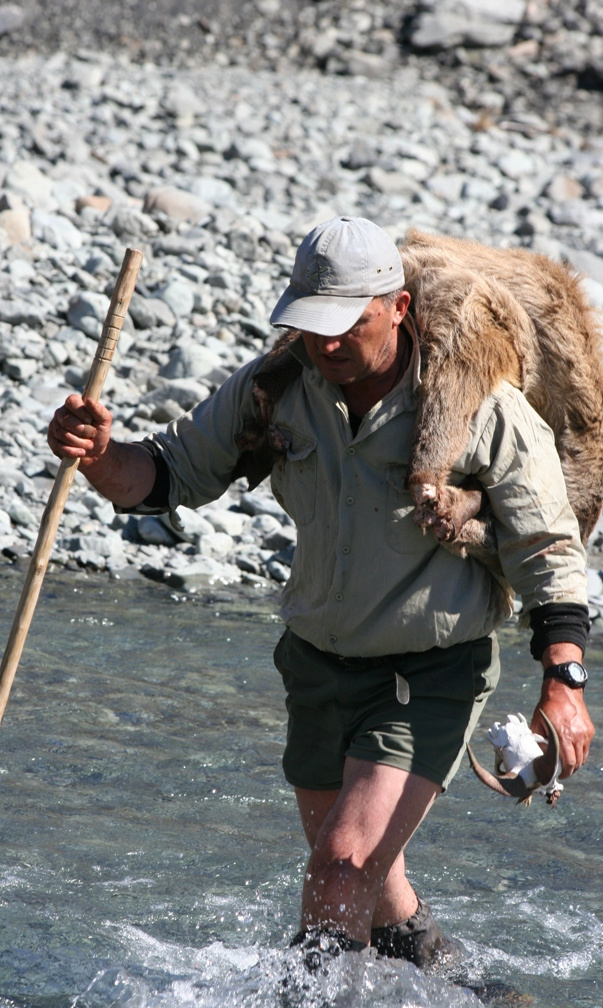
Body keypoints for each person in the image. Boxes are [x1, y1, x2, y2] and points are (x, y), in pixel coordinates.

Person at [47, 215, 595, 967]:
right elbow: (166, 474)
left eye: (345, 324)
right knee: (371, 879)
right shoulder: (279, 389)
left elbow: (547, 548)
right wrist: (100, 454)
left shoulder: (482, 411)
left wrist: (563, 679)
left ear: (397, 308)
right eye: (310, 325)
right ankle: (456, 990)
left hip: (427, 671)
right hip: (313, 666)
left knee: (340, 864)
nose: (325, 343)